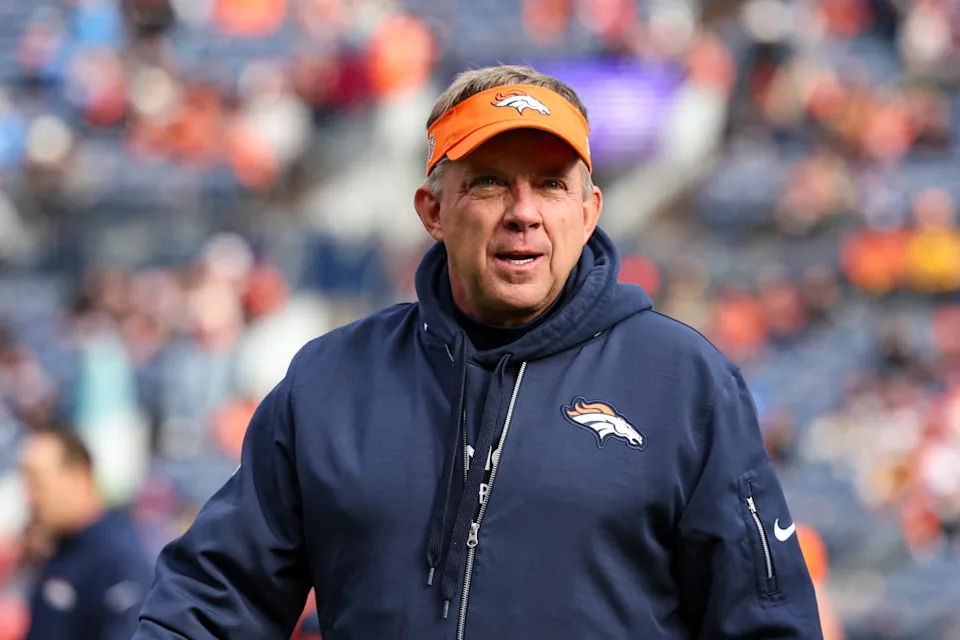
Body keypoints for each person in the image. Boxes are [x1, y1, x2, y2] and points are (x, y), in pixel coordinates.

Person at [135, 65, 823, 638]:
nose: (523, 211)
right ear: (432, 211)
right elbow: (212, 599)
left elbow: (764, 622)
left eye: (552, 184)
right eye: (490, 182)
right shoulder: (331, 384)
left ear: (588, 212)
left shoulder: (683, 383)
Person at [19, 428, 152, 640]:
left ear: (81, 476)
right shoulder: (59, 550)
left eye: (38, 483)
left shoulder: (117, 559)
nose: (29, 497)